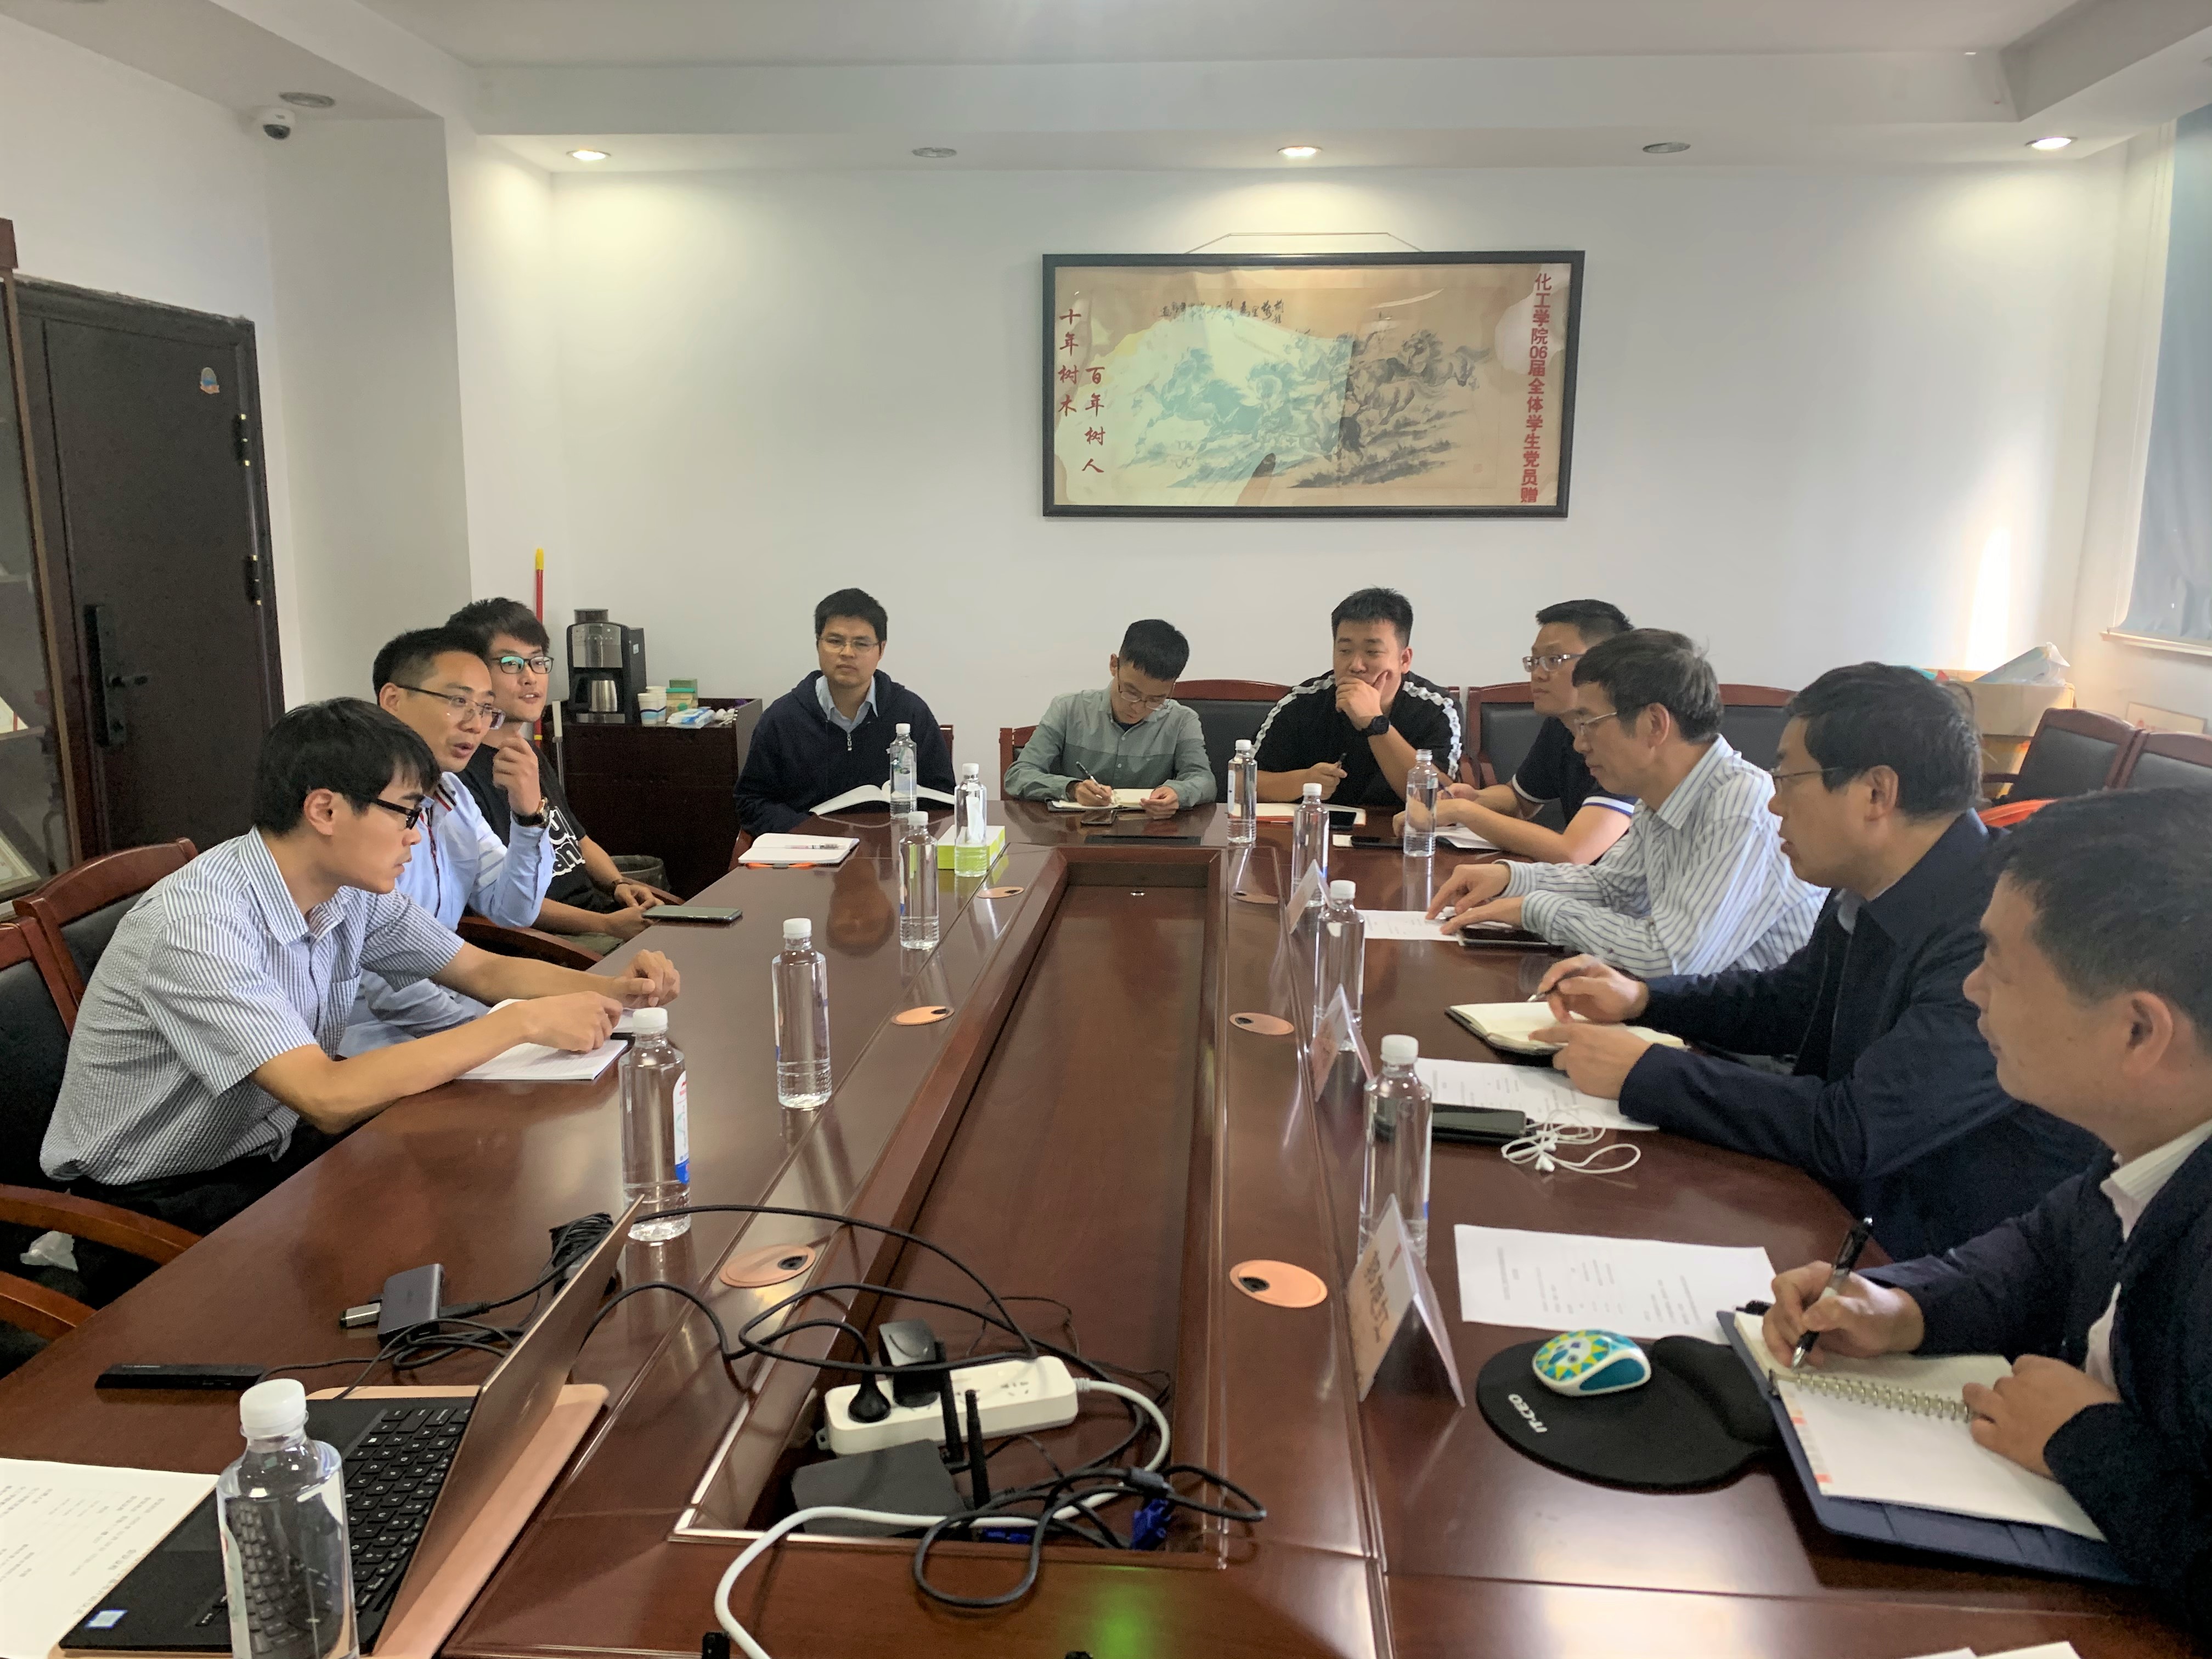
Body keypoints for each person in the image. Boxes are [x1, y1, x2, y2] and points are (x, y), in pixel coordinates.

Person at [1760, 790, 2212, 1638]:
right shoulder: (2150, 1137)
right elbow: (2042, 1253)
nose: (1971, 989)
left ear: (2138, 1032)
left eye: (2000, 967)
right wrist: (1902, 1306)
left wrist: (2090, 1443)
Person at [39, 699, 680, 1276]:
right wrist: (519, 1023)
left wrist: (617, 989)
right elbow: (326, 1095)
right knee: (438, 1251)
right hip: (158, 1204)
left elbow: (482, 971)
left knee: (481, 1209)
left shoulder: (345, 888)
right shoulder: (197, 925)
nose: (416, 835)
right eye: (406, 813)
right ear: (325, 810)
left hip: (272, 1149)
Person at [1528, 664, 2097, 1258]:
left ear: (1876, 794)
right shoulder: (1871, 881)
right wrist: (1645, 1000)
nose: (1774, 805)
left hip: (1931, 1259)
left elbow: (1855, 1130)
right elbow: (1793, 1000)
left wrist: (1647, 1072)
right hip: (1838, 1207)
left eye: (1789, 780)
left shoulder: (1999, 932)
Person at [1429, 629, 1819, 975]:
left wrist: (1535, 909)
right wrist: (1511, 878)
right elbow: (1614, 889)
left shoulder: (1741, 806)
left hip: (1753, 1034)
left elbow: (1669, 958)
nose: (1580, 744)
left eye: (1590, 723)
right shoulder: (1661, 795)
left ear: (1654, 724)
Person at [340, 627, 558, 1050]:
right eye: (458, 702)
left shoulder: (452, 794)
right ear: (392, 700)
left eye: (485, 708)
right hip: (369, 1043)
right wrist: (493, 1040)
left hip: (454, 1017)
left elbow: (513, 910)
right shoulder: (359, 805)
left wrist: (529, 815)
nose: (475, 725)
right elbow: (392, 993)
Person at [448, 597, 681, 955]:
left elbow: (578, 839)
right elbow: (501, 903)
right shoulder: (460, 776)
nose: (531, 677)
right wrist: (607, 925)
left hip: (598, 919)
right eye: (511, 664)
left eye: (538, 661)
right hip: (554, 944)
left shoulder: (528, 754)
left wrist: (618, 884)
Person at [1396, 600, 1637, 864]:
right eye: (1535, 661)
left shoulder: (1628, 738)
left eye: (1554, 660)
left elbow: (1574, 852)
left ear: (1603, 664)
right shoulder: (1561, 725)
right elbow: (1521, 801)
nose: (1538, 674)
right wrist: (1476, 798)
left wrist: (1463, 811)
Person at [735, 588, 956, 836]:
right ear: (818, 644)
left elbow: (943, 799)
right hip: (808, 850)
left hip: (890, 851)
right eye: (835, 641)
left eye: (861, 644)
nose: (847, 653)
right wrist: (812, 831)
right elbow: (751, 802)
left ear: (881, 650)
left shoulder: (911, 713)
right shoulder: (782, 718)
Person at [1254, 587, 1462, 809]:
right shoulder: (1303, 701)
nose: (1356, 666)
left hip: (1399, 828)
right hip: (1317, 825)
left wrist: (1374, 722)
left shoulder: (1437, 708)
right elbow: (1243, 782)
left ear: (1404, 660)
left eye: (1372, 652)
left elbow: (1441, 799)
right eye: (1345, 650)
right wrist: (1303, 781)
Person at [1002, 619, 1215, 817]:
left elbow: (1204, 780)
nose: (1138, 707)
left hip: (1150, 832)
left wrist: (1178, 792)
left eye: (1155, 700)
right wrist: (1072, 789)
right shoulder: (1068, 709)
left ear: (1172, 687)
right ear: (1114, 665)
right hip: (1075, 832)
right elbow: (1019, 775)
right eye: (1131, 692)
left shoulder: (1182, 721)